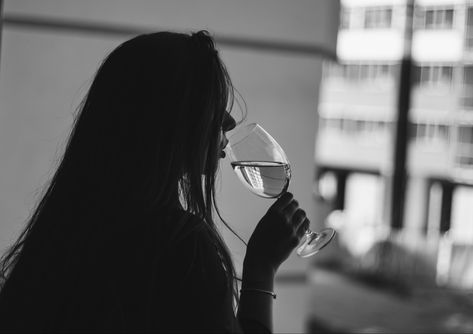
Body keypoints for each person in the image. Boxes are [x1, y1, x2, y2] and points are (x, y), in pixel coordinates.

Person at [0, 30, 310, 333]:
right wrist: (262, 267)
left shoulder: (67, 228)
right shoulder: (182, 249)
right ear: (173, 120)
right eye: (212, 106)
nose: (228, 122)